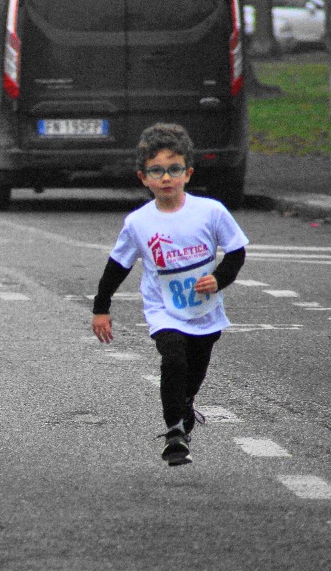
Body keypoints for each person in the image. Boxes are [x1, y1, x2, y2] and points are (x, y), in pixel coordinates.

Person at [91, 123, 248, 467]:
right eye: (156, 171)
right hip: (164, 310)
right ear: (143, 178)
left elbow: (236, 251)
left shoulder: (210, 212)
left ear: (188, 173)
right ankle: (175, 432)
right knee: (174, 358)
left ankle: (185, 404)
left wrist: (218, 279)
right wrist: (101, 308)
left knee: (194, 372)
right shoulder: (139, 222)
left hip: (205, 312)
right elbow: (117, 266)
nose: (166, 178)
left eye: (174, 169)